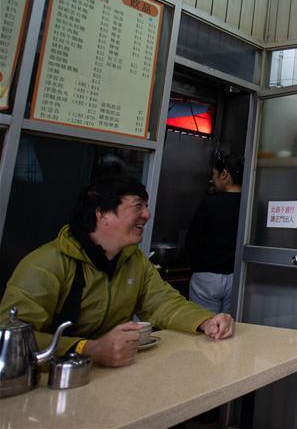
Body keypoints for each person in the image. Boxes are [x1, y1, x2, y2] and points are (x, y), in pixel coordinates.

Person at [0, 175, 234, 368]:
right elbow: (10, 336)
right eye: (138, 206)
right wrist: (87, 348)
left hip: (105, 378)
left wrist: (204, 321)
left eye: (146, 206)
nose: (147, 214)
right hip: (47, 383)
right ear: (102, 214)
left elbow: (163, 303)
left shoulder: (133, 260)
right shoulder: (46, 264)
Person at [185, 152, 243, 314]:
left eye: (214, 174)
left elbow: (191, 241)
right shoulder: (250, 204)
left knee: (204, 322)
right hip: (237, 277)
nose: (212, 179)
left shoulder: (210, 203)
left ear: (224, 174)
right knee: (227, 324)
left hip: (207, 276)